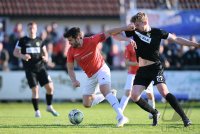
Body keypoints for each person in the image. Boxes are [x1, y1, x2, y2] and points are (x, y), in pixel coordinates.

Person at [115, 12, 200, 127]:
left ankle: (185, 118)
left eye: (138, 25)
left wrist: (195, 45)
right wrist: (127, 39)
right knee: (134, 96)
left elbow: (176, 39)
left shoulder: (158, 32)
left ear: (145, 23)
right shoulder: (134, 31)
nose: (136, 28)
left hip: (155, 67)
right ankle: (155, 113)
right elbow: (115, 35)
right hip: (142, 69)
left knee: (164, 92)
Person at [63, 26, 135, 127]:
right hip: (91, 76)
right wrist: (74, 80)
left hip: (102, 69)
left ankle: (121, 117)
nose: (69, 43)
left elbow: (109, 32)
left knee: (104, 89)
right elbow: (70, 68)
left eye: (70, 40)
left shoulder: (91, 40)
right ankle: (107, 95)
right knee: (86, 104)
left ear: (78, 37)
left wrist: (125, 28)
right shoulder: (71, 51)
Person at [13, 22, 59, 118]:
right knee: (35, 90)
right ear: (27, 29)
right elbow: (15, 53)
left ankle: (49, 106)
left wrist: (46, 58)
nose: (31, 30)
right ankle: (37, 111)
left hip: (41, 68)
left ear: (36, 29)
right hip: (30, 69)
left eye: (33, 28)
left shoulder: (40, 40)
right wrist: (22, 55)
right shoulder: (22, 40)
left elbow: (45, 53)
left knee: (50, 88)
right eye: (30, 28)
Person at [120, 43, 155, 119]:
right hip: (132, 73)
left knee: (150, 94)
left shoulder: (146, 45)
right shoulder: (128, 47)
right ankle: (119, 113)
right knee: (127, 93)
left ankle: (152, 113)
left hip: (145, 73)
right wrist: (136, 63)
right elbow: (126, 62)